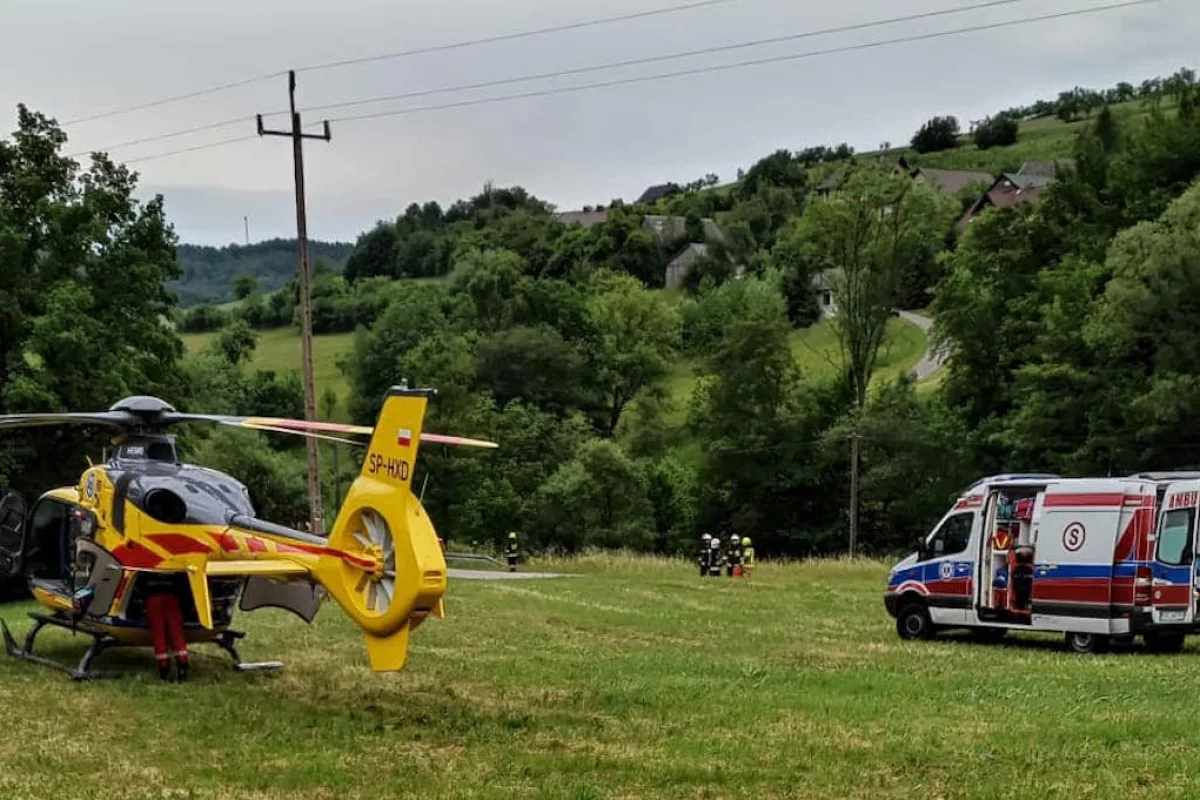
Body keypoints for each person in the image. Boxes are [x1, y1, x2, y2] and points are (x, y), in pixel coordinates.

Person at [142, 571, 189, 681]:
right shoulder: (174, 567)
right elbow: (182, 586)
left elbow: (142, 586)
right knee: (177, 634)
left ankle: (164, 670)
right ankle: (183, 668)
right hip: (172, 599)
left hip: (154, 600)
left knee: (159, 635)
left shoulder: (147, 570)